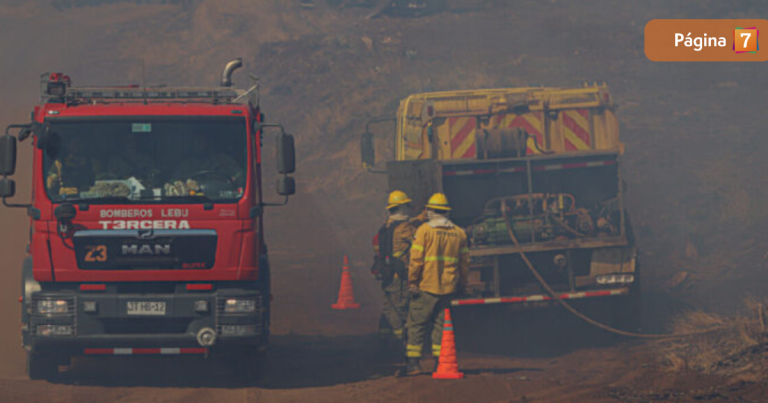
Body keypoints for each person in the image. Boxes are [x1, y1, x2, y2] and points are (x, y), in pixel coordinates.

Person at [404, 193, 469, 375]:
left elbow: (415, 260)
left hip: (425, 286)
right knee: (441, 326)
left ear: (431, 211)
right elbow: (465, 263)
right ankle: (440, 362)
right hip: (448, 288)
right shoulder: (459, 233)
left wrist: (412, 281)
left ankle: (414, 364)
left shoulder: (424, 231)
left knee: (417, 324)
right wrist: (462, 284)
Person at [371, 190, 427, 349]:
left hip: (387, 274)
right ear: (402, 208)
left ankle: (386, 341)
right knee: (401, 309)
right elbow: (418, 238)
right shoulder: (404, 229)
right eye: (407, 206)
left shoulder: (387, 227)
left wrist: (420, 218)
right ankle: (404, 341)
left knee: (389, 306)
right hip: (399, 277)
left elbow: (405, 226)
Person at [170, 134, 243, 189]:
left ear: (208, 142)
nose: (197, 145)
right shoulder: (186, 165)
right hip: (194, 200)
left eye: (200, 141)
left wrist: (234, 179)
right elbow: (173, 182)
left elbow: (240, 174)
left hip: (224, 200)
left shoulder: (224, 160)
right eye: (194, 142)